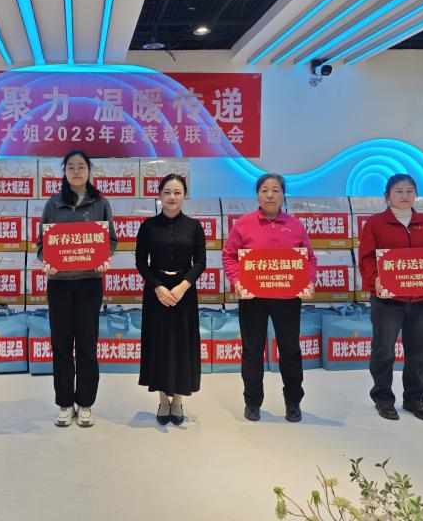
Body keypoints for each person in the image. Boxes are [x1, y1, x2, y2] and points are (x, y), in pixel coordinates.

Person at [222, 173, 316, 423]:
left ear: (283, 195)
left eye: (275, 190)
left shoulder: (295, 225)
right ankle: (252, 402)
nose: (270, 195)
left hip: (287, 298)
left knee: (290, 350)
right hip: (252, 298)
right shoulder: (243, 224)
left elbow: (309, 258)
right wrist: (237, 281)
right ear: (257, 195)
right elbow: (229, 256)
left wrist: (308, 281)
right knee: (252, 351)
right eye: (264, 190)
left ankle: (293, 401)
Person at [37, 150, 117, 428]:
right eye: (70, 167)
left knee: (86, 344)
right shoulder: (53, 204)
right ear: (64, 172)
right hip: (58, 284)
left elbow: (111, 240)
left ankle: (85, 403)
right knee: (60, 345)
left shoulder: (101, 203)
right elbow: (41, 245)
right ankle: (64, 403)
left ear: (89, 170)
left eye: (81, 166)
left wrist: (104, 255)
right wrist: (47, 260)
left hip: (89, 282)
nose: (76, 171)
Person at [358, 174, 423, 422]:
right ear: (388, 196)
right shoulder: (376, 223)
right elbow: (366, 257)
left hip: (421, 300)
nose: (405, 196)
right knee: (383, 351)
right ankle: (383, 399)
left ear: (415, 194)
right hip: (387, 301)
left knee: (418, 353)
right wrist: (376, 278)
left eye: (410, 191)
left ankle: (415, 400)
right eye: (399, 191)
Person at [135, 174, 206, 426]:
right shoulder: (148, 226)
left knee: (182, 346)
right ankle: (163, 400)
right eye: (167, 192)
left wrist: (184, 286)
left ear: (184, 195)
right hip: (156, 293)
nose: (172, 197)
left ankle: (177, 400)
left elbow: (200, 262)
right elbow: (141, 262)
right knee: (159, 345)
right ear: (159, 195)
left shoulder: (194, 227)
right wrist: (157, 287)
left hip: (184, 293)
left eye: (177, 192)